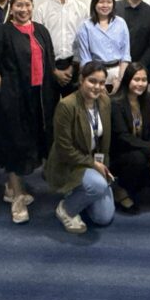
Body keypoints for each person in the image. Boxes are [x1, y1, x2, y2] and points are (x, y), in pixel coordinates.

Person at [0, 0, 57, 224]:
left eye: (27, 5)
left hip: (39, 99)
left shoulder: (41, 30)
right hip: (13, 99)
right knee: (14, 144)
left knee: (33, 143)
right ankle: (17, 197)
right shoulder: (1, 32)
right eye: (18, 5)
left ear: (32, 6)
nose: (23, 9)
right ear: (11, 8)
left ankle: (13, 187)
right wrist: (4, 92)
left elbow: (49, 62)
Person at [45, 61, 116, 233]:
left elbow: (105, 141)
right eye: (92, 81)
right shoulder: (67, 105)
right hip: (70, 163)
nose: (97, 87)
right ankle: (66, 209)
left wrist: (102, 166)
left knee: (103, 218)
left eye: (101, 83)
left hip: (93, 160)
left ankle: (83, 192)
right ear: (81, 79)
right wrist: (93, 165)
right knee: (97, 186)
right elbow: (64, 148)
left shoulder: (105, 101)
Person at [110, 62, 150, 211]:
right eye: (136, 79)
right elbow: (123, 137)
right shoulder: (116, 103)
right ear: (128, 79)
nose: (141, 84)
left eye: (144, 80)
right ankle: (120, 189)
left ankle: (137, 185)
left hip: (141, 147)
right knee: (138, 159)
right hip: (121, 152)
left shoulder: (148, 99)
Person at [34, 0, 88, 98]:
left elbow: (84, 41)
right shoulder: (42, 10)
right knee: (49, 106)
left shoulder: (81, 8)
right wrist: (53, 70)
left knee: (74, 107)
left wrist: (73, 67)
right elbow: (38, 44)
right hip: (49, 66)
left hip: (74, 65)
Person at [75, 0, 131, 91]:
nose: (105, 5)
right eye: (101, 2)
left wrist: (119, 79)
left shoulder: (121, 23)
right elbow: (85, 59)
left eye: (109, 2)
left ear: (113, 4)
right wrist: (97, 81)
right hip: (94, 73)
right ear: (94, 4)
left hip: (117, 72)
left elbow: (125, 55)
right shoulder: (86, 26)